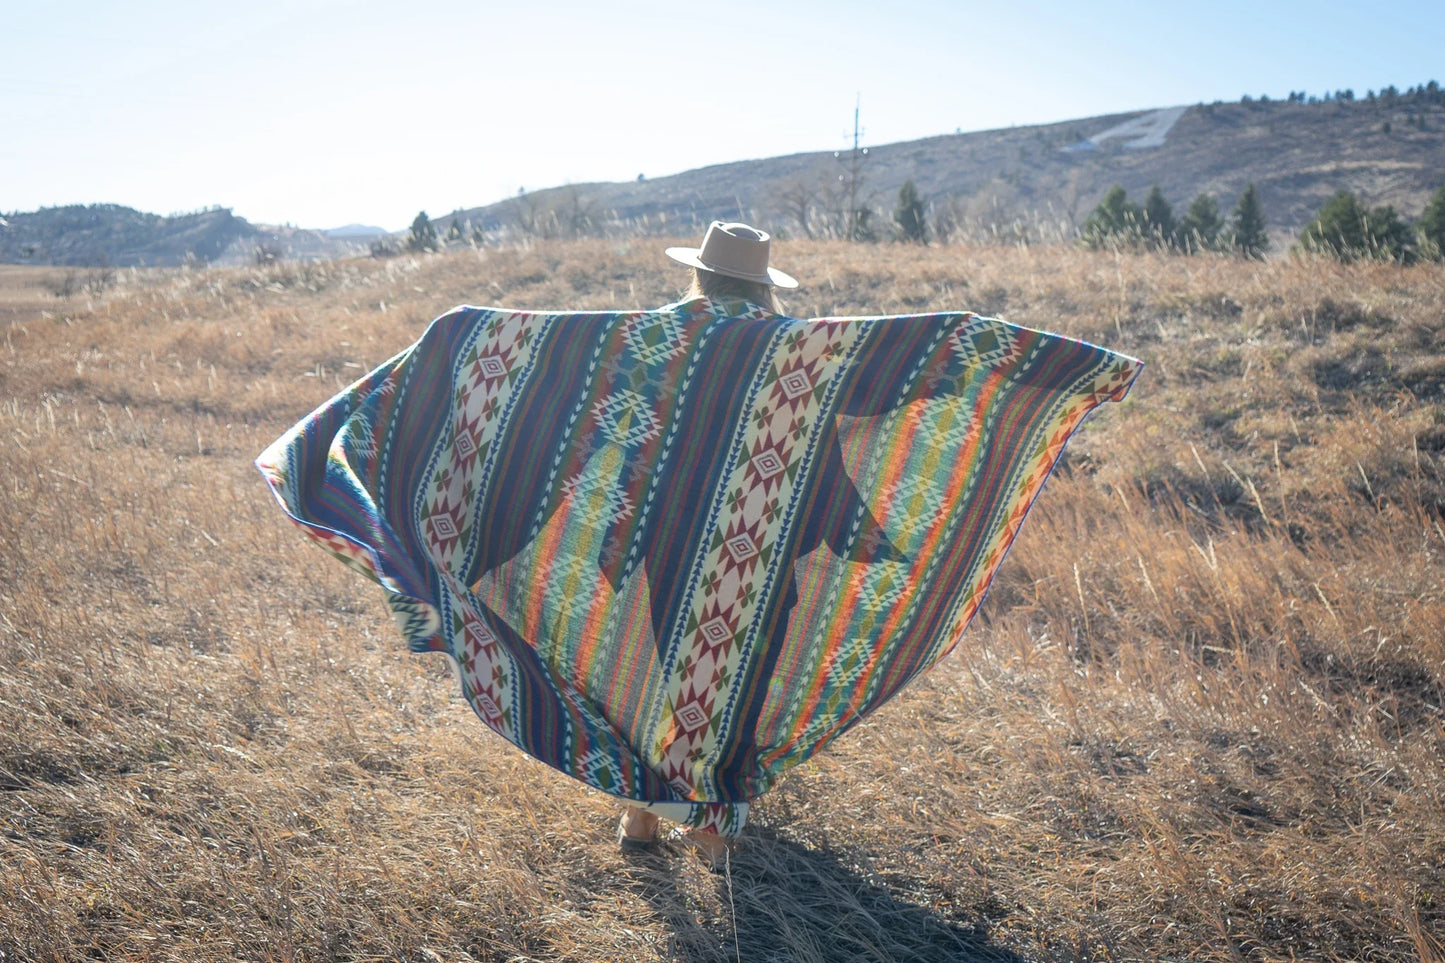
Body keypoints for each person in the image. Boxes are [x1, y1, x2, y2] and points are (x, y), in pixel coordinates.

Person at [257, 220, 1141, 870]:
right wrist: (1058, 369)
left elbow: (547, 358)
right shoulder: (792, 351)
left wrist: (457, 333)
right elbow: (913, 353)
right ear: (761, 289)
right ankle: (711, 829)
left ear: (696, 279)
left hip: (644, 537)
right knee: (730, 671)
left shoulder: (645, 337)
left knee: (629, 661)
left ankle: (640, 817)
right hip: (751, 551)